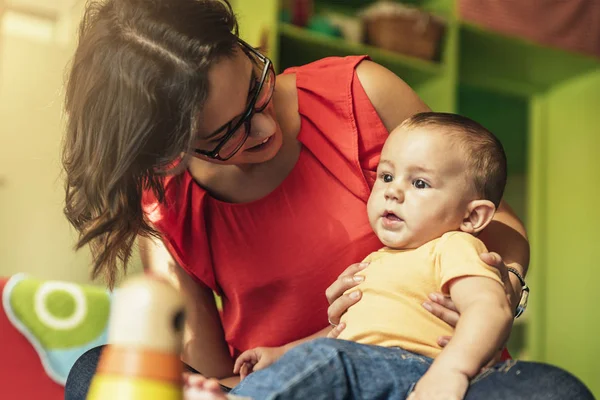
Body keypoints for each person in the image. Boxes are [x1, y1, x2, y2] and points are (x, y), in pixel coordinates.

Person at [60, 0, 586, 399]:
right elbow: (217, 370)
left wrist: (488, 298)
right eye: (226, 136)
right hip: (290, 384)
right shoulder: (167, 204)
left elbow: (488, 215)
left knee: (551, 391)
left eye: (254, 88)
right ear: (170, 153)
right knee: (96, 370)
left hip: (433, 374)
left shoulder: (360, 93)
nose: (265, 127)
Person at [183, 113, 593, 399]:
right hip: (358, 371)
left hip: (415, 372)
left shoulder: (454, 248)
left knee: (328, 361)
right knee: (323, 357)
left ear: (472, 217)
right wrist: (280, 354)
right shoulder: (377, 262)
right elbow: (345, 331)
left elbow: (490, 311)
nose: (393, 191)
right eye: (386, 175)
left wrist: (452, 371)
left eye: (419, 182)